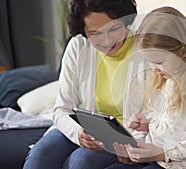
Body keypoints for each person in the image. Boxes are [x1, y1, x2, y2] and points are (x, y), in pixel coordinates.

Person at [23, 0, 143, 168]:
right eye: (95, 33)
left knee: (80, 162)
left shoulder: (144, 50)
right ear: (84, 31)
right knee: (39, 157)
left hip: (124, 137)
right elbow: (62, 110)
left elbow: (156, 116)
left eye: (114, 29)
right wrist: (77, 133)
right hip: (82, 128)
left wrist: (133, 145)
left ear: (125, 21)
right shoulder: (78, 46)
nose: (107, 40)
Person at [112, 6, 186, 169]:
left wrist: (161, 153)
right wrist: (148, 125)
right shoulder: (165, 80)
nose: (154, 69)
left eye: (159, 62)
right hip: (160, 162)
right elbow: (172, 124)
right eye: (149, 62)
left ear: (183, 51)